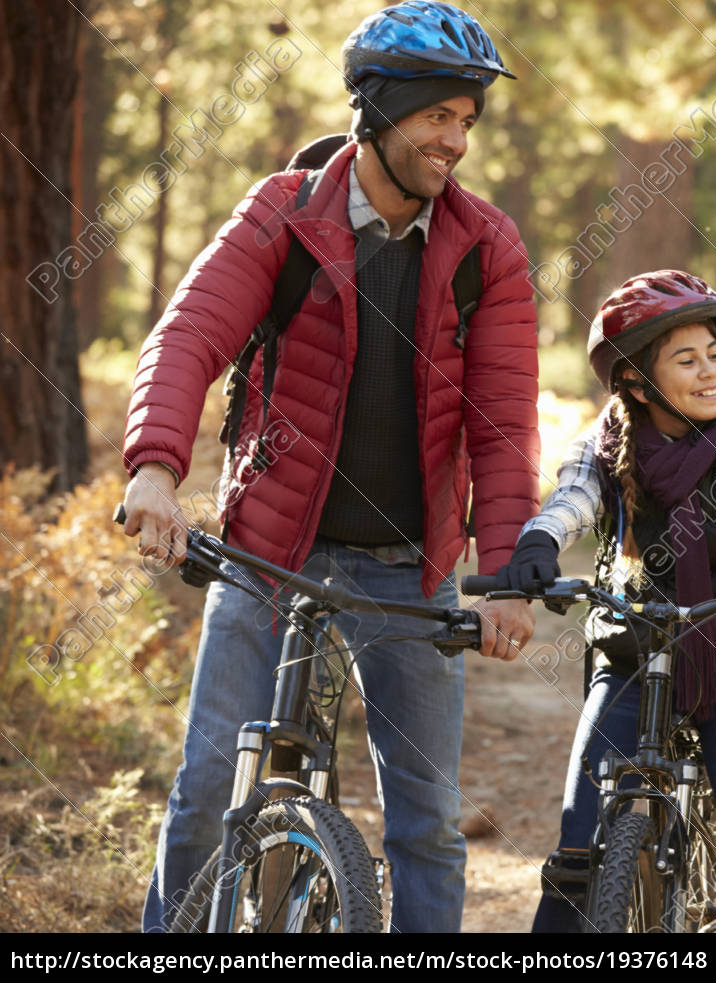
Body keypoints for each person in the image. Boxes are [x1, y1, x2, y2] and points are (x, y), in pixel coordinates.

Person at [120, 2, 540, 933]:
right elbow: (189, 335)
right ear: (379, 112)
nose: (455, 142)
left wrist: (505, 575)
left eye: (468, 120)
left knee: (426, 825)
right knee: (204, 799)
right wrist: (155, 465)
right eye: (438, 116)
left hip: (410, 568)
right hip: (273, 553)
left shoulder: (487, 247)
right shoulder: (285, 213)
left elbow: (503, 423)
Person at [497, 270, 716, 933]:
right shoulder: (609, 439)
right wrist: (536, 542)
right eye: (686, 359)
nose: (710, 372)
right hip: (630, 648)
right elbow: (572, 497)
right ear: (638, 384)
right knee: (574, 852)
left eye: (714, 353)